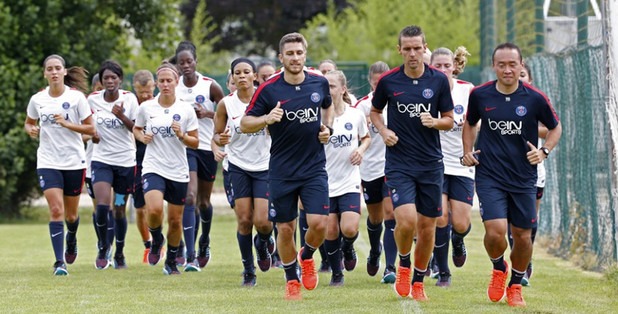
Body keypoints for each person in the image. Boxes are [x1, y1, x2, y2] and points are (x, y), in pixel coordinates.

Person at [461, 42, 562, 307]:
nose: (507, 70)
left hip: (523, 178)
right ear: (494, 66)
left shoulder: (535, 98)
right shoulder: (480, 95)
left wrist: (544, 152)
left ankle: (516, 285)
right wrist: (467, 151)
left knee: (522, 236)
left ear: (521, 66)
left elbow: (555, 127)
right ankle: (498, 268)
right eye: (501, 65)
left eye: (512, 64)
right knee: (495, 233)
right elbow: (470, 124)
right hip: (489, 175)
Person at [241, 32, 334, 300]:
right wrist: (267, 118)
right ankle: (291, 278)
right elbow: (246, 123)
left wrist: (326, 128)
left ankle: (306, 256)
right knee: (285, 228)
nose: (295, 58)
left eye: (299, 53)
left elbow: (326, 109)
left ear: (306, 55)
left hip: (314, 167)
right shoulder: (269, 88)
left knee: (319, 224)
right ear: (281, 57)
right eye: (289, 54)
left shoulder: (319, 83)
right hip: (282, 170)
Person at [370, 25, 455, 301]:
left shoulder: (439, 81)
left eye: (417, 48)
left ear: (425, 48)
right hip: (399, 163)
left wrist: (435, 122)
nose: (412, 53)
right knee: (405, 221)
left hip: (430, 164)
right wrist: (383, 131)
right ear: (399, 50)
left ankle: (418, 280)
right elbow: (374, 112)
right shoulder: (389, 81)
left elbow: (449, 119)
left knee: (428, 227)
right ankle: (403, 263)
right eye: (407, 49)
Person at [24, 54, 95, 275]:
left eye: (58, 68)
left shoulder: (77, 99)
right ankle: (59, 263)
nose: (54, 72)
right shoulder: (38, 100)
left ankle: (71, 237)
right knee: (56, 210)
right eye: (50, 69)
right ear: (45, 73)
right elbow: (28, 123)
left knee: (71, 216)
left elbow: (91, 129)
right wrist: (31, 130)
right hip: (47, 160)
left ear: (64, 72)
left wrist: (66, 123)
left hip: (73, 161)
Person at [133, 62, 199, 275]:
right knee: (153, 210)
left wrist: (182, 136)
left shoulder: (185, 109)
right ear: (156, 83)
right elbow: (136, 128)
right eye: (161, 81)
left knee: (174, 220)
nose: (165, 84)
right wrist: (142, 136)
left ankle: (171, 261)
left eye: (169, 80)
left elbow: (195, 142)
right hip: (153, 166)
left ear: (176, 82)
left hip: (178, 170)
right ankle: (156, 238)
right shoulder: (147, 107)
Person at [213, 58, 274, 286]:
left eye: (246, 72)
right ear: (232, 77)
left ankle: (264, 242)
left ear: (255, 76)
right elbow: (217, 135)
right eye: (237, 72)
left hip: (265, 165)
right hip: (238, 166)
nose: (241, 76)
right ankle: (249, 270)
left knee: (264, 221)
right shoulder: (225, 104)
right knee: (245, 220)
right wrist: (221, 138)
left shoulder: (267, 99)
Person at [174, 40, 225, 270]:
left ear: (195, 62)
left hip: (206, 148)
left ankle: (204, 241)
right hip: (185, 148)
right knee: (190, 198)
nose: (185, 65)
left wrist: (206, 113)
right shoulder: (173, 87)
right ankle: (190, 253)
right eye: (181, 62)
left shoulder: (210, 86)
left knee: (204, 202)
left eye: (189, 61)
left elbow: (226, 115)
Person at [428, 46, 475, 287]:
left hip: (463, 164)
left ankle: (459, 240)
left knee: (461, 222)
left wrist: (472, 151)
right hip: (436, 164)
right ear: (431, 67)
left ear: (454, 66)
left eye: (447, 66)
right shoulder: (426, 92)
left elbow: (478, 123)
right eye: (438, 66)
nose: (444, 70)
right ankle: (443, 272)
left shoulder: (467, 91)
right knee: (441, 217)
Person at [88, 60, 139, 270]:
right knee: (101, 206)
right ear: (101, 80)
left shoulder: (130, 99)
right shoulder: (92, 100)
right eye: (106, 78)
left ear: (120, 79)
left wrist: (121, 115)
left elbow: (137, 128)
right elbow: (86, 124)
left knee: (119, 210)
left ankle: (119, 253)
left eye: (113, 77)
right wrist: (93, 135)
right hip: (101, 162)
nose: (109, 81)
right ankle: (103, 246)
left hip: (125, 164)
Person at [323, 70, 370, 286]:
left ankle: (349, 247)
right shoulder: (317, 116)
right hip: (324, 181)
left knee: (349, 228)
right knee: (331, 230)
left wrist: (360, 150)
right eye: (326, 86)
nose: (328, 90)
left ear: (343, 89)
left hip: (349, 180)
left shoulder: (355, 114)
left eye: (332, 86)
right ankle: (336, 273)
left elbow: (366, 137)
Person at [353, 61, 399, 284]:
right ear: (370, 81)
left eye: (384, 81)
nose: (380, 85)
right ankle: (374, 250)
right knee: (375, 217)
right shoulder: (362, 107)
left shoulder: (399, 101)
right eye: (376, 81)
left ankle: (390, 267)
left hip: (393, 166)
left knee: (391, 214)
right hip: (369, 168)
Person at [506, 63, 548, 286]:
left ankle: (526, 260)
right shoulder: (499, 99)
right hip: (505, 170)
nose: (519, 78)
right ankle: (517, 264)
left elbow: (550, 128)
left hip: (533, 169)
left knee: (529, 219)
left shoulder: (535, 100)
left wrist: (525, 126)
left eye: (523, 75)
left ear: (529, 79)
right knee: (510, 221)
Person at [132, 69, 156, 263]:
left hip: (158, 163)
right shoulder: (130, 107)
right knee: (140, 209)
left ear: (154, 86)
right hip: (135, 162)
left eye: (149, 91)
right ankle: (147, 245)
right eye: (142, 93)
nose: (146, 96)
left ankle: (159, 243)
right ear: (135, 90)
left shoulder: (161, 106)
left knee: (154, 207)